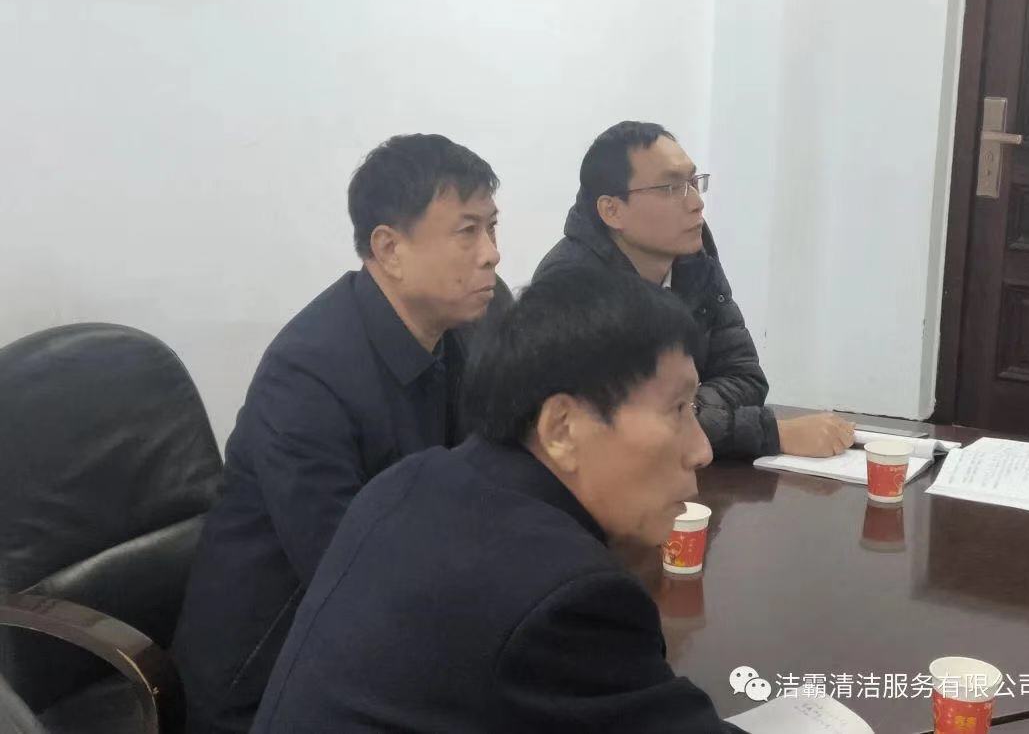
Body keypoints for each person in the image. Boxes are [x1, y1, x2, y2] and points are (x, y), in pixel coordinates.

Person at [251, 268, 747, 733]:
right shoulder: (569, 599)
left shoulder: (410, 481)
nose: (702, 450)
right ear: (562, 429)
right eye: (677, 408)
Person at [172, 133, 509, 734]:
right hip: (273, 673)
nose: (492, 255)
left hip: (387, 630)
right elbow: (343, 572)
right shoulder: (307, 377)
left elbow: (492, 478)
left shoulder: (465, 328)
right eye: (467, 232)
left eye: (492, 228)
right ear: (390, 248)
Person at [534, 120, 854, 459]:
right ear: (612, 210)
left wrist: (687, 408)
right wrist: (771, 434)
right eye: (671, 188)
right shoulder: (569, 285)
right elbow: (621, 424)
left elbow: (745, 377)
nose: (696, 203)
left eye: (693, 182)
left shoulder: (692, 256)